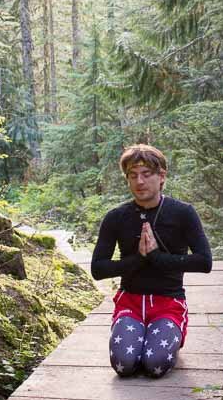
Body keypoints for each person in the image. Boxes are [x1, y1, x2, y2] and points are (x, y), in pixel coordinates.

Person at [91, 144, 212, 378]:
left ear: (162, 176)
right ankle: (138, 336)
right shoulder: (116, 217)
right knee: (124, 365)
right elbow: (98, 269)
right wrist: (138, 258)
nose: (140, 182)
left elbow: (204, 262)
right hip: (130, 303)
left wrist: (156, 257)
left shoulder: (182, 213)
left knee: (154, 364)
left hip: (168, 303)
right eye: (133, 176)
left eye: (147, 174)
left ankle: (168, 335)